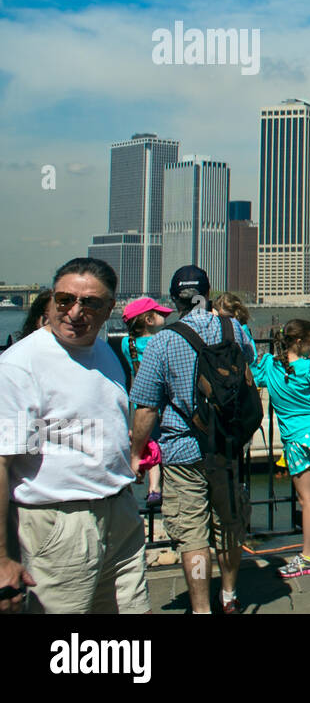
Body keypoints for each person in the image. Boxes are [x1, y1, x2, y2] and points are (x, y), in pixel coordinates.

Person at [0, 258, 149, 614]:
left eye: (90, 303)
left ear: (109, 308)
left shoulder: (105, 352)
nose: (74, 312)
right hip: (61, 523)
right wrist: (3, 556)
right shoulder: (24, 364)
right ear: (51, 299)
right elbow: (5, 462)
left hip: (120, 513)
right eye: (65, 299)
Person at [129, 265, 257, 613]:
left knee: (193, 534)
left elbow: (146, 409)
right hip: (226, 447)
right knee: (228, 523)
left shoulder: (163, 342)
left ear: (174, 299)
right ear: (209, 292)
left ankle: (201, 608)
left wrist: (135, 452)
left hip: (182, 448)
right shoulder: (233, 329)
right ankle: (229, 597)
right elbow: (248, 365)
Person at [251, 319, 310, 578]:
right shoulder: (309, 367)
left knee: (306, 500)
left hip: (298, 438)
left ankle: (309, 557)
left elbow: (252, 374)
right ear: (299, 342)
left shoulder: (269, 365)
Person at [121, 296, 174, 507]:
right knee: (162, 446)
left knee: (147, 444)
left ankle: (142, 483)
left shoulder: (127, 343)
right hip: (162, 404)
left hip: (139, 405)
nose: (164, 316)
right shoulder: (162, 342)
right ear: (149, 320)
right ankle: (157, 488)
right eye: (159, 314)